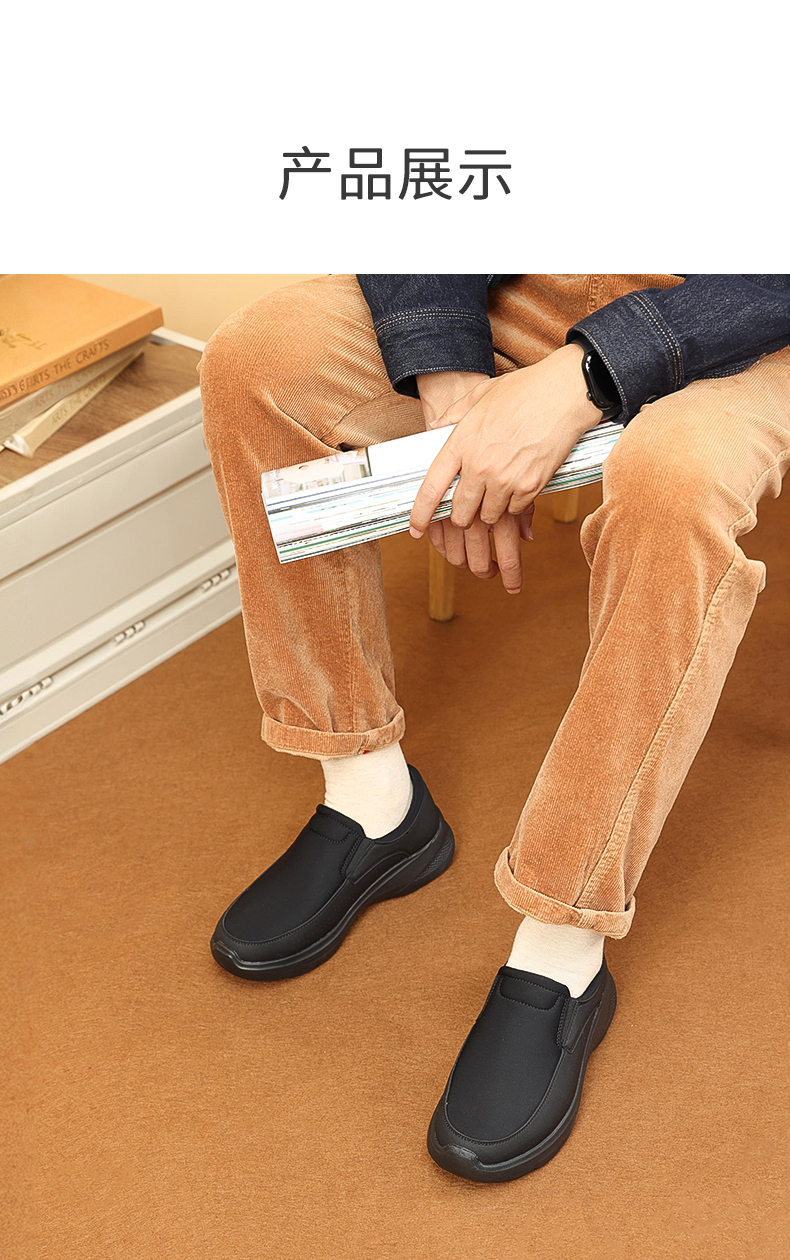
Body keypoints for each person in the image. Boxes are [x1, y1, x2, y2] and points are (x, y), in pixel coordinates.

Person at [198, 274, 790, 1183]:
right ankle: (371, 800)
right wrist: (447, 373)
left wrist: (589, 372)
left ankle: (562, 944)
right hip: (543, 271)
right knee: (257, 361)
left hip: (751, 317)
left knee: (672, 486)